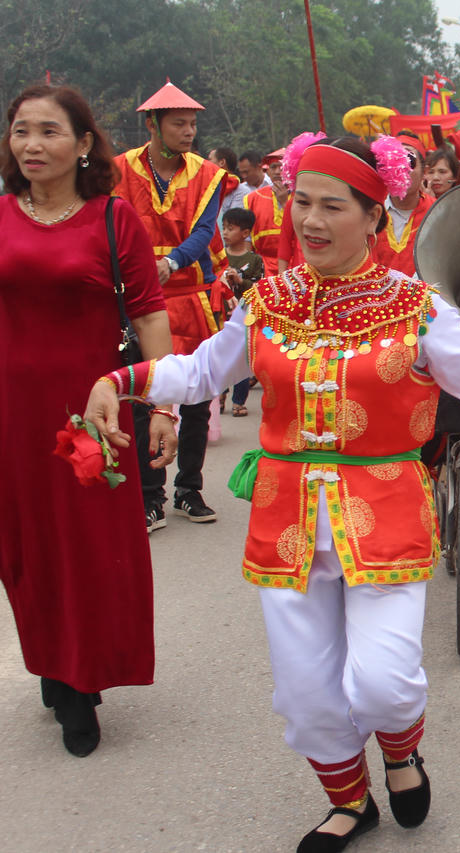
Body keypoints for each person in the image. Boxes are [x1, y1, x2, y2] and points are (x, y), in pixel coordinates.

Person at [84, 133, 460, 850]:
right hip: (287, 522)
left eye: (332, 206)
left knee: (385, 684)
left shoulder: (417, 307)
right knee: (305, 693)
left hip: (387, 514)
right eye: (301, 202)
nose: (310, 220)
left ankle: (401, 752)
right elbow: (203, 371)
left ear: (373, 217)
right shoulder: (265, 303)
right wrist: (123, 380)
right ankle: (350, 801)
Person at [0, 84, 176, 756]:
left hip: (92, 412)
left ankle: (80, 677)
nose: (32, 144)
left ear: (82, 144)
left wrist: (162, 405)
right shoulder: (0, 215)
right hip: (12, 413)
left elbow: (151, 315)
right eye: (21, 130)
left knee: (90, 549)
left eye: (49, 131)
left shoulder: (113, 218)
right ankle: (54, 658)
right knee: (27, 547)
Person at [113, 79, 237, 532]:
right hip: (138, 300)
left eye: (192, 125)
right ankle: (151, 496)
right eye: (179, 124)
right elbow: (113, 227)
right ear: (153, 124)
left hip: (189, 295)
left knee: (198, 398)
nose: (189, 132)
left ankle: (189, 488)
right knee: (143, 397)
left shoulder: (207, 174)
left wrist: (172, 261)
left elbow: (205, 232)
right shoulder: (119, 170)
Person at [221, 206, 264, 416]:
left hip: (245, 314)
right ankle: (220, 394)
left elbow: (258, 286)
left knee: (241, 357)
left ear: (245, 233)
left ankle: (238, 400)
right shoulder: (219, 258)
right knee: (221, 355)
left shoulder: (254, 260)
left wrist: (240, 281)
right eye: (224, 228)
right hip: (221, 313)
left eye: (230, 228)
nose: (225, 232)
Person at [372, 130, 434, 275]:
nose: (402, 168)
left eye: (409, 160)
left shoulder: (437, 212)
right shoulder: (370, 212)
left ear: (425, 171)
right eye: (395, 160)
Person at [244, 149, 290, 276]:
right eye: (273, 167)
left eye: (281, 167)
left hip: (295, 266)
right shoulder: (253, 198)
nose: (277, 171)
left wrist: (285, 202)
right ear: (267, 171)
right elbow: (246, 237)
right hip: (262, 268)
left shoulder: (302, 196)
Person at [211, 146, 249, 222]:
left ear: (222, 162)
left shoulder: (241, 191)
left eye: (210, 159)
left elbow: (234, 222)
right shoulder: (208, 187)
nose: (206, 163)